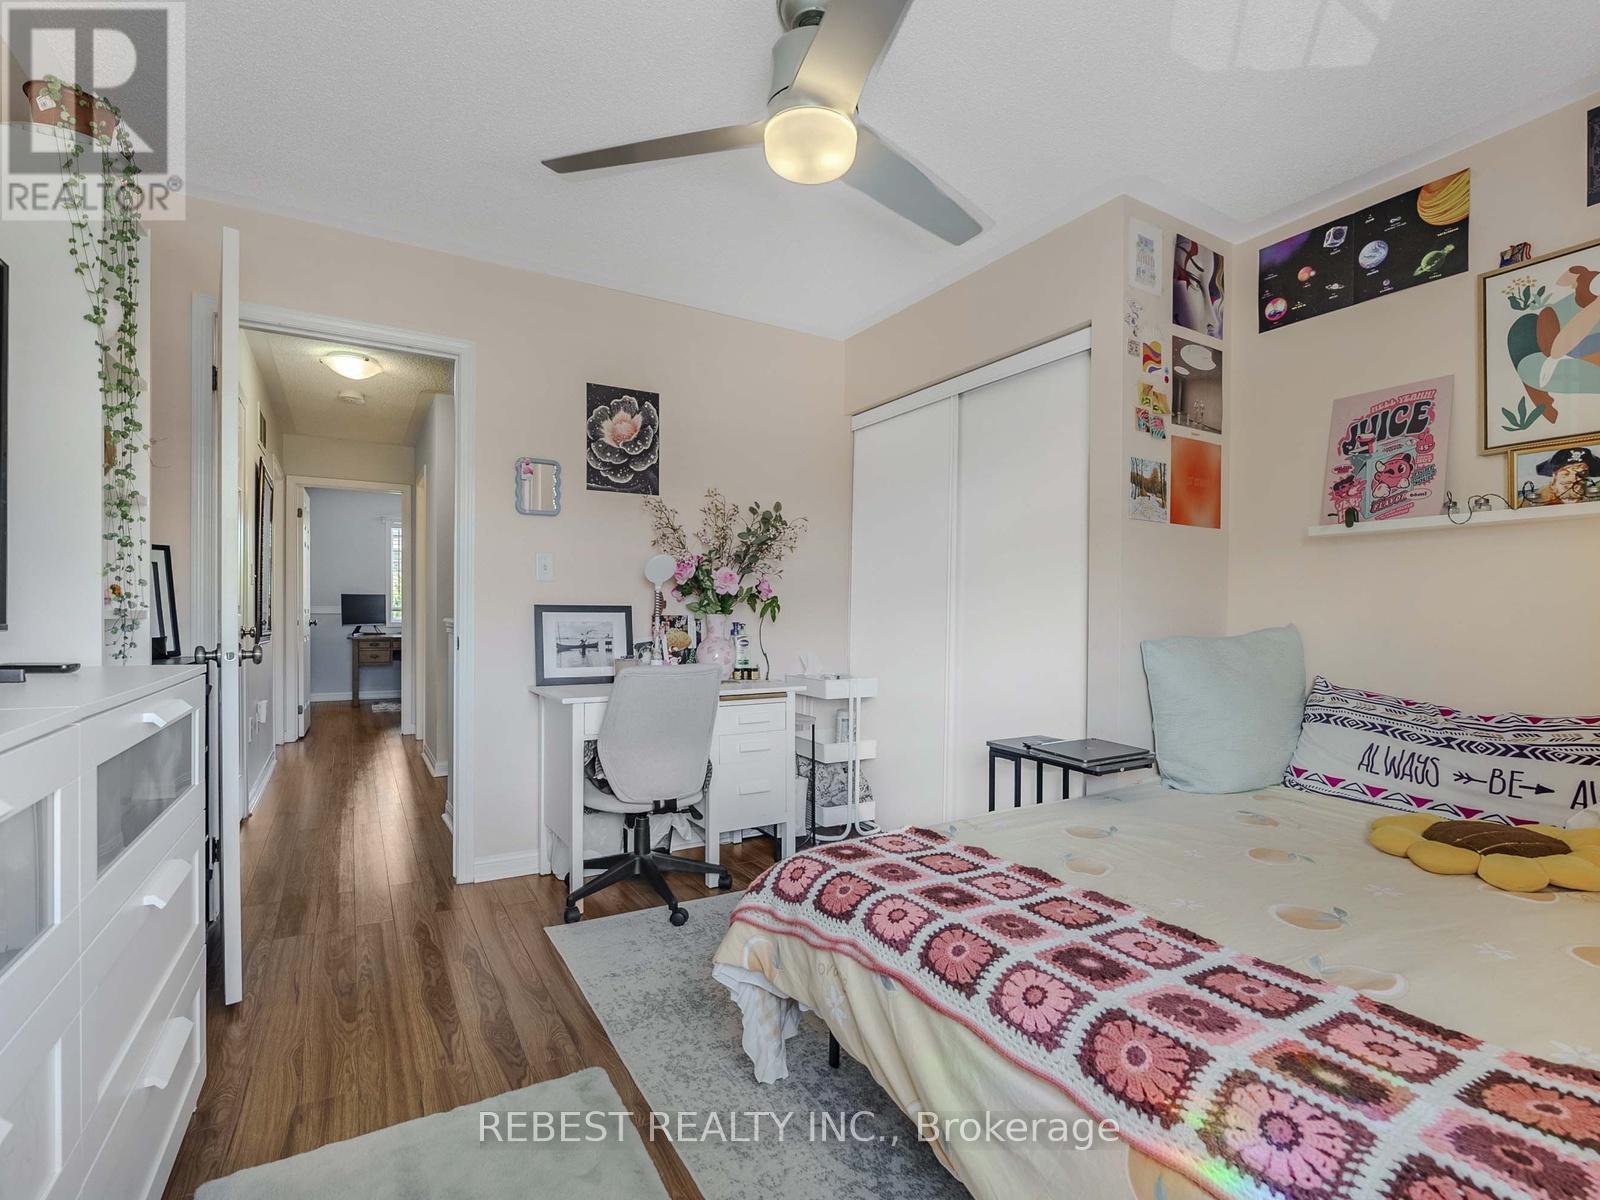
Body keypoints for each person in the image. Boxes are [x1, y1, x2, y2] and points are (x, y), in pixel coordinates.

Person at [1527, 445, 1599, 506]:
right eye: (1565, 474)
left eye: (1581, 474)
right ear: (1554, 480)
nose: (1573, 479)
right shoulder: (1536, 503)